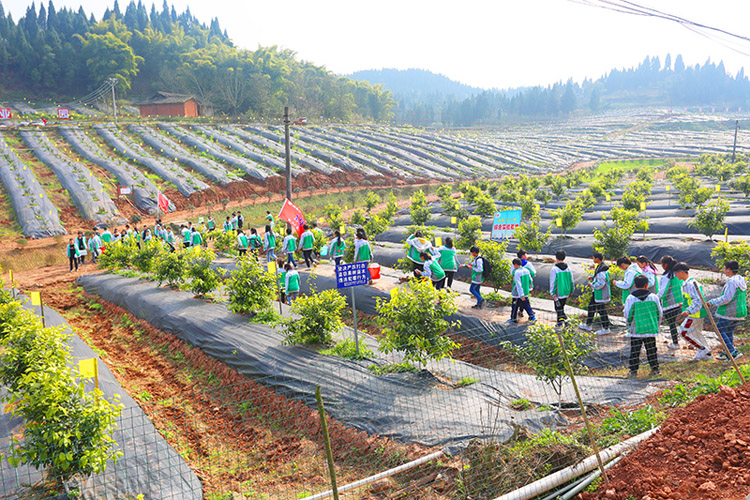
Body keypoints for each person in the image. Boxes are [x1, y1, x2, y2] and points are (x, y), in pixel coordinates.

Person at [624, 274, 663, 378]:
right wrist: (657, 325)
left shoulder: (630, 298)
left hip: (636, 329)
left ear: (635, 285)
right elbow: (659, 312)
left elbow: (627, 314)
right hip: (650, 328)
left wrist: (628, 326)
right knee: (652, 350)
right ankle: (655, 369)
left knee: (635, 350)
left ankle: (633, 371)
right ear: (647, 285)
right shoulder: (654, 297)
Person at [708, 260, 746, 361]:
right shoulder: (740, 279)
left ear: (729, 270)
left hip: (730, 311)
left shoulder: (732, 281)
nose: (724, 271)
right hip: (739, 311)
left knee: (720, 330)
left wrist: (712, 302)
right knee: (728, 331)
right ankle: (728, 353)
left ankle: (733, 352)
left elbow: (727, 298)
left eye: (724, 269)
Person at [674, 262, 712, 360]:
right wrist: (685, 305)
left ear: (681, 272)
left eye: (676, 273)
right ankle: (707, 354)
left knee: (683, 332)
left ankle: (702, 349)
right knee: (697, 333)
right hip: (697, 312)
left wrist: (689, 310)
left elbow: (697, 299)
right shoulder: (687, 283)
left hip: (695, 313)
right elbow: (690, 299)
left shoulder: (691, 284)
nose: (675, 275)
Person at [581, 251, 612, 335]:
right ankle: (588, 324)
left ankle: (606, 328)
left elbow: (601, 283)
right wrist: (593, 277)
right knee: (591, 307)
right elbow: (599, 278)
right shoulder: (601, 267)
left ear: (597, 258)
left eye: (594, 258)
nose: (593, 259)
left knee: (602, 310)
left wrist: (591, 284)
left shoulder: (602, 270)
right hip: (597, 293)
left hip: (600, 293)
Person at [657, 256, 683, 350]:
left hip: (669, 303)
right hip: (678, 301)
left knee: (671, 323)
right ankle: (675, 335)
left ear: (665, 265)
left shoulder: (667, 276)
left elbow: (663, 291)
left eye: (662, 264)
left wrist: (655, 299)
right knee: (673, 322)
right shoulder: (675, 275)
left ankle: (675, 343)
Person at [550, 250, 574, 325]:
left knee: (558, 308)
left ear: (556, 258)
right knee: (561, 307)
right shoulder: (569, 268)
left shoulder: (554, 269)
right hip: (566, 291)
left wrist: (552, 293)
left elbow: (553, 282)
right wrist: (571, 291)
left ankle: (566, 321)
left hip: (558, 292)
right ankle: (559, 322)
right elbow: (572, 281)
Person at [509, 258, 535, 323]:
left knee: (514, 306)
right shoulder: (526, 270)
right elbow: (530, 280)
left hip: (518, 294)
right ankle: (532, 317)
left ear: (515, 265)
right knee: (526, 305)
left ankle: (513, 319)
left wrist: (521, 295)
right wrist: (530, 289)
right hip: (525, 291)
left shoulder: (517, 272)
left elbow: (518, 284)